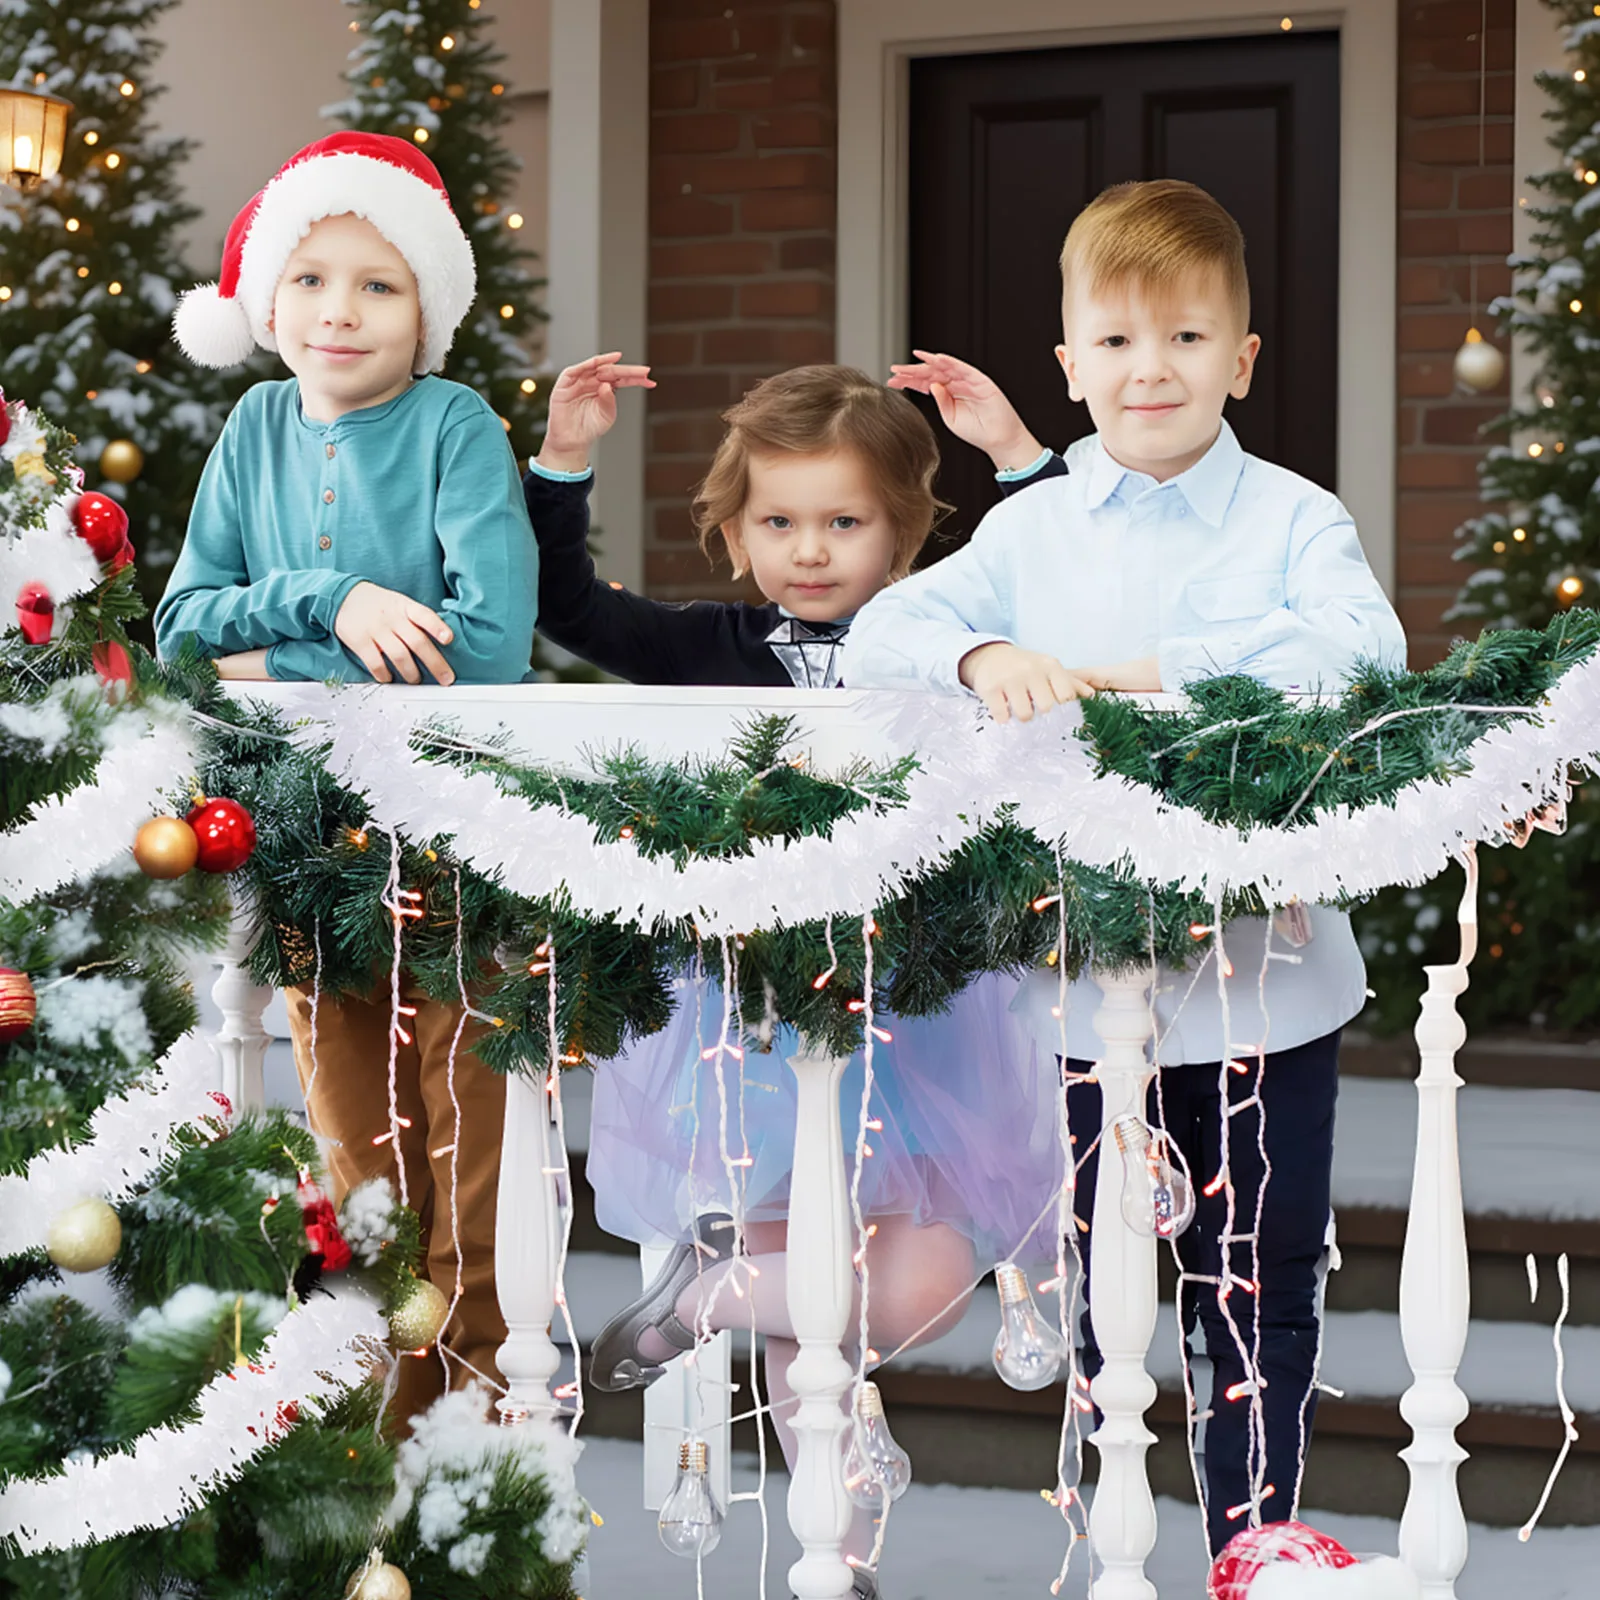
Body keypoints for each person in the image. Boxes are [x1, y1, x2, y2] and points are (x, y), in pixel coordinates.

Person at [845, 179, 1407, 1554]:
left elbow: (1364, 657)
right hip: (1077, 991)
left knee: (1258, 1286)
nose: (1149, 370)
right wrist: (983, 656)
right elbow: (879, 639)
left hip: (1265, 988)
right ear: (1069, 365)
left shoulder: (1290, 519)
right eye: (1115, 343)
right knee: (1099, 1282)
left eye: (1187, 340)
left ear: (1242, 359)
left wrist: (1152, 679)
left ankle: (1255, 1550)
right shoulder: (1032, 529)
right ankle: (1116, 1542)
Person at [525, 357, 1056, 1595]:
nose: (808, 550)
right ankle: (842, 1557)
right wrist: (563, 462)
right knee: (814, 1317)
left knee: (915, 1281)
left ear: (904, 529)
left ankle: (703, 1299)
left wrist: (1019, 452)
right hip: (754, 1018)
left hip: (920, 1016)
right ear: (731, 527)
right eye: (777, 520)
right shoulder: (703, 647)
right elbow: (568, 609)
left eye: (843, 520)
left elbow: (1062, 577)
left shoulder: (944, 643)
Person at [156, 132, 540, 1428]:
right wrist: (339, 598)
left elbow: (484, 649)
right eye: (313, 277)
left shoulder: (456, 426)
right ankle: (377, 1414)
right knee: (350, 1138)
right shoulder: (254, 424)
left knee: (461, 1127)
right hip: (304, 832)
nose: (340, 310)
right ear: (269, 302)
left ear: (426, 306)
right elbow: (180, 629)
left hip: (449, 821)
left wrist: (280, 651)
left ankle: (473, 1412)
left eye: (378, 283)